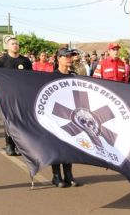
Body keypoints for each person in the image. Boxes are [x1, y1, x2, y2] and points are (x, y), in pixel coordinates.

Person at [0, 37, 32, 156]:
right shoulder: (1, 61)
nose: (15, 45)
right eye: (12, 44)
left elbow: (30, 78)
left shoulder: (25, 61)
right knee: (9, 121)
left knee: (20, 121)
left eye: (17, 44)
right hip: (6, 96)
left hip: (21, 96)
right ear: (7, 46)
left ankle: (18, 145)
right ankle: (9, 145)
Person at [51, 48, 79, 188]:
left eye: (71, 56)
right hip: (55, 116)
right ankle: (56, 176)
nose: (70, 58)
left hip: (70, 116)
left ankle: (69, 175)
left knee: (69, 145)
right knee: (56, 146)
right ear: (59, 59)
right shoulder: (51, 76)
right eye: (66, 56)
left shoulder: (74, 75)